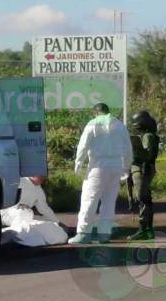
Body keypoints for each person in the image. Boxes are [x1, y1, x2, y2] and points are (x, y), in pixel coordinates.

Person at [69, 103, 133, 244]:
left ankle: (84, 233)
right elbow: (128, 149)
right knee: (109, 201)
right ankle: (104, 233)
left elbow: (83, 145)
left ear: (96, 112)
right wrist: (126, 167)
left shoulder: (93, 124)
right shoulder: (120, 126)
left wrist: (78, 163)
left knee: (89, 199)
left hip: (98, 165)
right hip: (116, 166)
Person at [0, 177, 68, 246]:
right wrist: (17, 206)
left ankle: (19, 235)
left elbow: (44, 209)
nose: (43, 178)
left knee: (44, 221)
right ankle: (7, 235)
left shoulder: (39, 190)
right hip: (7, 212)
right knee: (26, 213)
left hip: (24, 213)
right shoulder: (20, 181)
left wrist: (57, 222)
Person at [128, 111, 160, 241]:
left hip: (142, 170)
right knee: (144, 199)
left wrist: (134, 146)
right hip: (140, 169)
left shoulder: (148, 136)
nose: (135, 126)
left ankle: (144, 230)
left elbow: (147, 155)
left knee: (143, 199)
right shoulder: (147, 135)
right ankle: (148, 229)